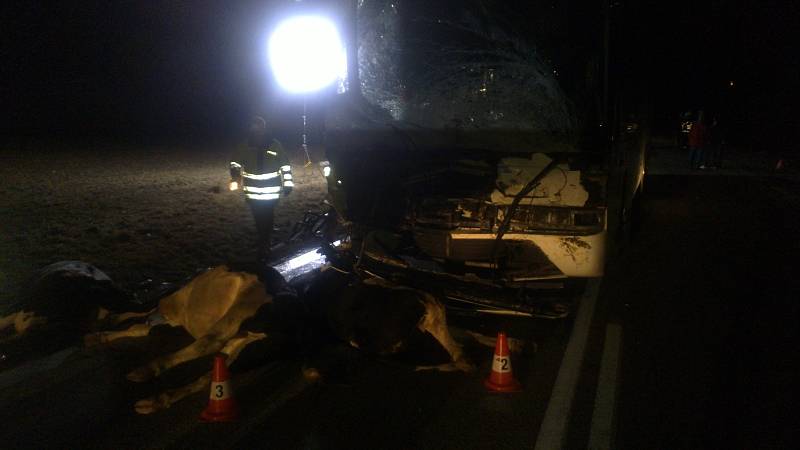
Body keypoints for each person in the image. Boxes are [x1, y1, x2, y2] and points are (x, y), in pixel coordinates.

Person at [229, 116, 293, 262]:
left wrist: (288, 184)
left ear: (264, 129)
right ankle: (263, 239)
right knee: (259, 217)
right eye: (254, 129)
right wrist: (234, 176)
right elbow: (235, 163)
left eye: (259, 128)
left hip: (271, 192)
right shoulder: (244, 146)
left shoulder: (274, 145)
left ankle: (265, 241)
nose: (257, 132)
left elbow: (285, 165)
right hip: (252, 192)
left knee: (267, 216)